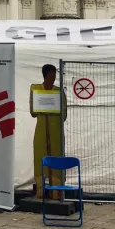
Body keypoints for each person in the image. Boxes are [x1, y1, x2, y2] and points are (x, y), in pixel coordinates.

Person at [29, 64, 67, 197]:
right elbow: (33, 112)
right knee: (40, 158)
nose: (54, 77)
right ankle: (40, 189)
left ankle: (56, 191)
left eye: (55, 74)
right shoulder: (36, 89)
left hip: (56, 132)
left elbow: (64, 114)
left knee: (56, 158)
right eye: (51, 74)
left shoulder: (59, 91)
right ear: (45, 75)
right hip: (41, 131)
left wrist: (53, 109)